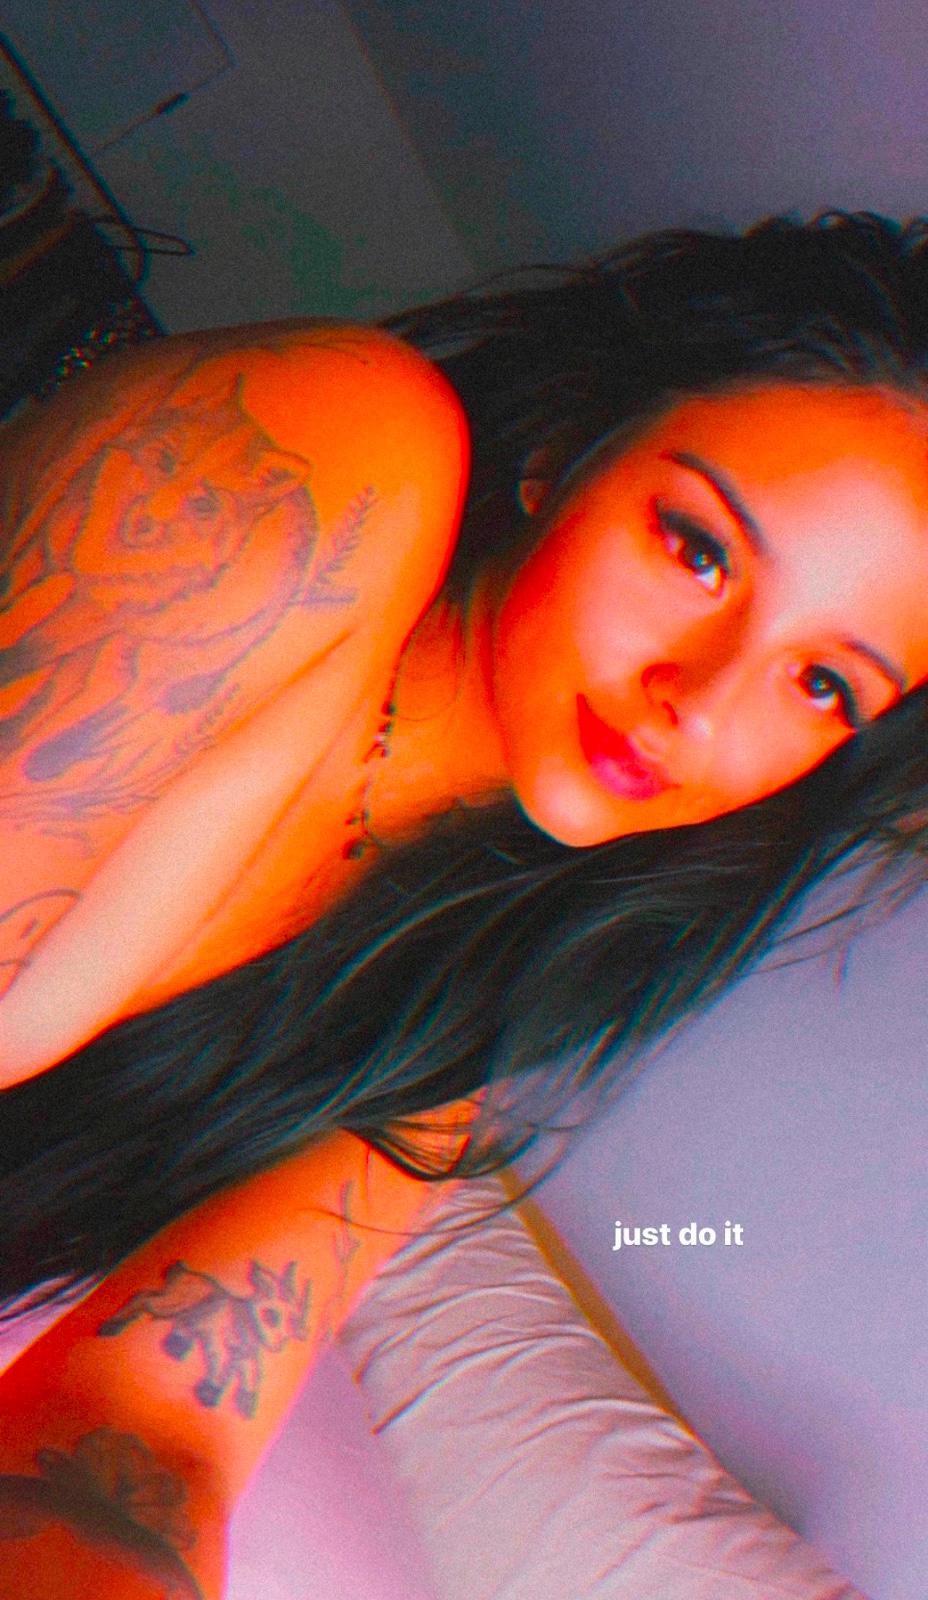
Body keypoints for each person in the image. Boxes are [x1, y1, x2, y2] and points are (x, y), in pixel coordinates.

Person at [1, 208, 928, 1593]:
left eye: (821, 684)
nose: (699, 700)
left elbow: (139, 1435)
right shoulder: (339, 447)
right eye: (699, 551)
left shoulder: (470, 1007)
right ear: (565, 449)